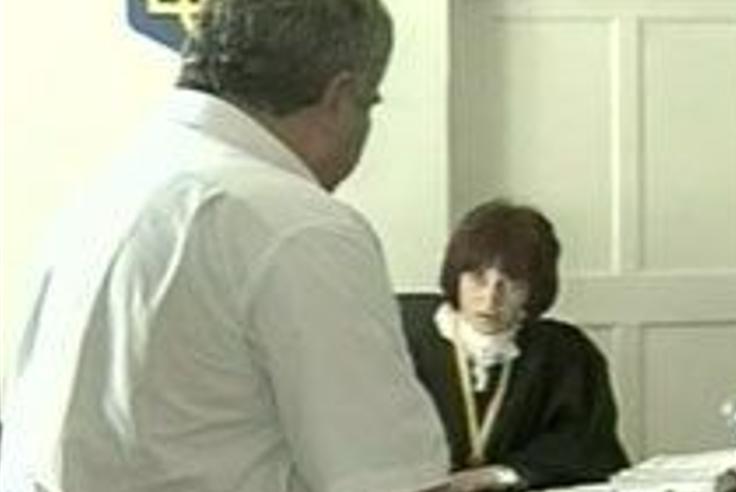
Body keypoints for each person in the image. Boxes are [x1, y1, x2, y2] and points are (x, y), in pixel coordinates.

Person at [0, 1, 451, 491]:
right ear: (339, 97)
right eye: (370, 104)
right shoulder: (296, 226)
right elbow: (383, 478)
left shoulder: (110, 188)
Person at [402, 200, 630, 492]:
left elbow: (587, 445)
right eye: (478, 279)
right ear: (455, 275)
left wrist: (501, 475)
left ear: (535, 289)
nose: (490, 299)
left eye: (511, 284)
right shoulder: (402, 336)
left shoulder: (565, 353)